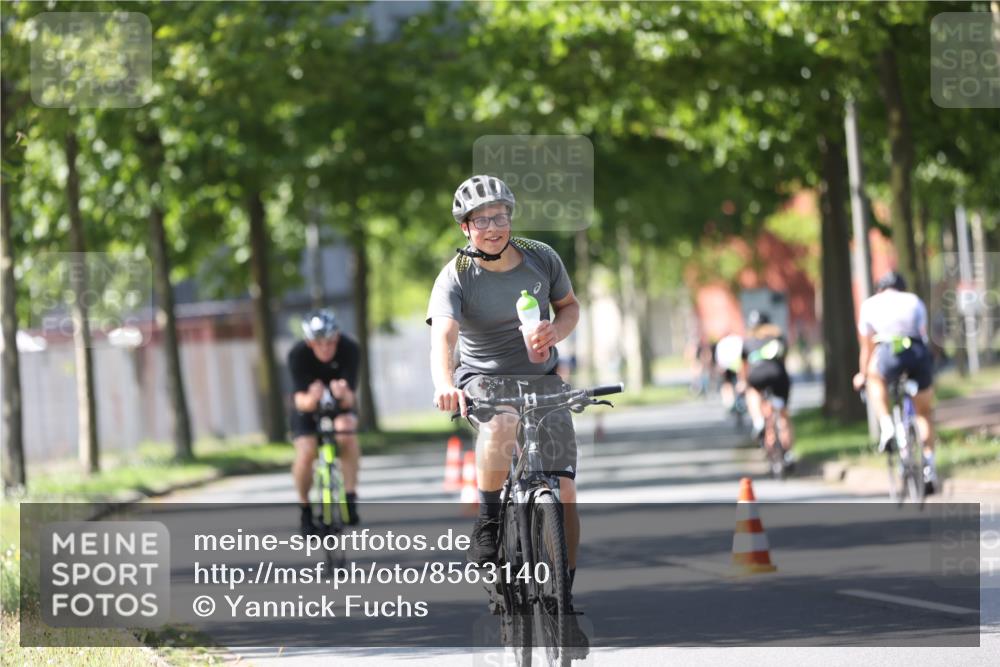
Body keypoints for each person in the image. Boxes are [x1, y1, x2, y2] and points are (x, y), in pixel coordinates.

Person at [427, 175, 587, 651]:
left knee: (563, 488)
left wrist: (556, 333)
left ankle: (563, 598)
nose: (493, 227)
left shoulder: (542, 257)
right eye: (482, 220)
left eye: (501, 216)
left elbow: (570, 307)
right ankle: (490, 519)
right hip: (483, 377)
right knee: (502, 423)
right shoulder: (456, 274)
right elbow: (445, 337)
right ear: (465, 228)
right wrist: (442, 383)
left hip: (540, 377)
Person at [852, 271, 937, 493]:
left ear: (879, 288)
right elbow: (923, 334)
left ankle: (887, 425)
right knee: (924, 412)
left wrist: (862, 374)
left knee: (874, 378)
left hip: (888, 352)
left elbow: (867, 347)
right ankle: (929, 466)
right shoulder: (914, 301)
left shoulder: (870, 304)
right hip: (917, 352)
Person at [287, 309, 362, 533]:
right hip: (308, 410)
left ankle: (349, 497)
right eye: (319, 343)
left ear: (337, 337)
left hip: (339, 406)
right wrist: (311, 398)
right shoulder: (298, 354)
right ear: (310, 343)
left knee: (346, 430)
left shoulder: (350, 349)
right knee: (306, 450)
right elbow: (299, 400)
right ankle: (305, 510)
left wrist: (342, 393)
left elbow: (351, 398)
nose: (326, 348)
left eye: (330, 342)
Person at [741, 310, 795, 468]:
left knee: (752, 392)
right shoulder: (778, 337)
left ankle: (758, 421)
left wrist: (743, 383)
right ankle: (788, 453)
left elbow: (743, 369)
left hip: (757, 376)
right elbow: (784, 359)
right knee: (783, 415)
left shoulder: (748, 342)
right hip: (779, 376)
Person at [714, 331, 744, 412]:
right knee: (740, 382)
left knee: (727, 383)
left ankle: (729, 402)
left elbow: (719, 358)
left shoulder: (721, 342)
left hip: (726, 366)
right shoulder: (738, 340)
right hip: (737, 365)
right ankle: (740, 399)